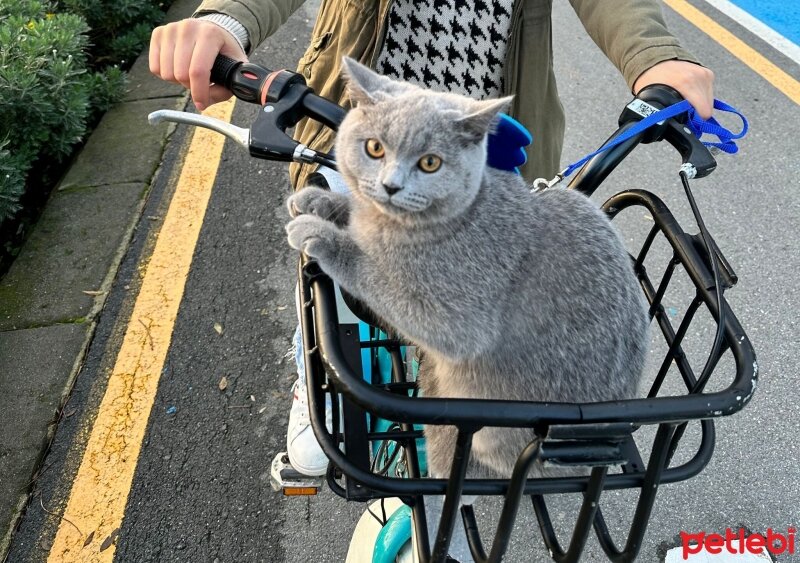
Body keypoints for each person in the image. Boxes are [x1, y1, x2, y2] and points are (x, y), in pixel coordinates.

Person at [149, 0, 715, 478]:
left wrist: (654, 56)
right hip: (368, 109)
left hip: (480, 146)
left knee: (431, 294)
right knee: (324, 281)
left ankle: (459, 453)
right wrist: (227, 20)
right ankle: (315, 369)